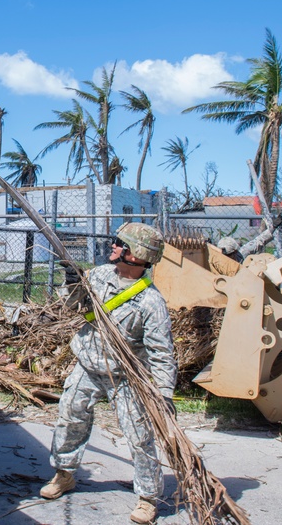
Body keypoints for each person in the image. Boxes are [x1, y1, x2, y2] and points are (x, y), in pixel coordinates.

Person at [40, 222, 177, 525]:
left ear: (136, 255)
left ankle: (148, 497)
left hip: (126, 376)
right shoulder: (101, 275)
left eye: (119, 243)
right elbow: (75, 307)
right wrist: (73, 281)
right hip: (87, 365)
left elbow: (162, 352)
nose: (112, 246)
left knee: (139, 435)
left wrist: (165, 392)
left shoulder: (151, 302)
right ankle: (64, 474)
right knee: (69, 416)